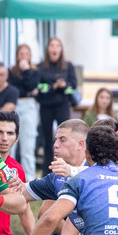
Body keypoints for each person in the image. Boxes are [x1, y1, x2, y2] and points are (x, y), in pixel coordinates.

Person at [37, 38, 78, 176]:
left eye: (57, 46)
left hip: (62, 106)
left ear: (61, 49)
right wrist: (52, 87)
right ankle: (47, 172)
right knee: (48, 139)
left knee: (64, 138)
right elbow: (38, 88)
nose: (54, 49)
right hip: (46, 106)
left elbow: (73, 87)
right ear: (47, 49)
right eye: (52, 46)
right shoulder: (41, 67)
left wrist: (64, 86)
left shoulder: (68, 66)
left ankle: (64, 168)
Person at [8, 43, 40, 179]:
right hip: (15, 105)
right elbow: (14, 89)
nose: (24, 57)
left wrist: (26, 72)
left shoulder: (34, 71)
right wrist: (28, 88)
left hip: (28, 105)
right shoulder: (10, 71)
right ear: (17, 56)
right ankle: (9, 177)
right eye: (21, 54)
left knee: (28, 145)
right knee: (10, 145)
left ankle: (29, 179)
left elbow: (31, 85)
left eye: (27, 54)